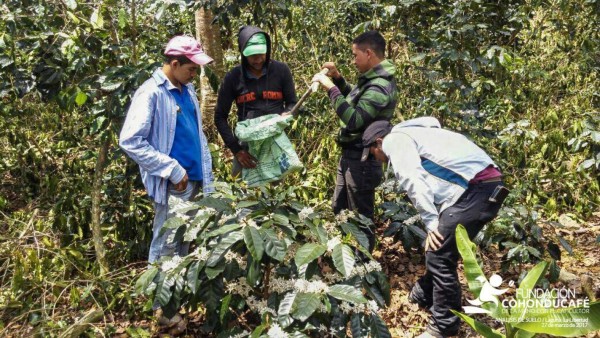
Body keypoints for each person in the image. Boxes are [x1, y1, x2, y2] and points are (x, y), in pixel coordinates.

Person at [361, 117, 509, 338]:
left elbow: (413, 179)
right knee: (444, 247)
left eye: (373, 153)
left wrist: (431, 223)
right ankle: (423, 294)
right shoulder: (419, 135)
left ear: (379, 142)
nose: (377, 159)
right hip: (484, 187)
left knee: (439, 252)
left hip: (477, 189)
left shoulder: (395, 140)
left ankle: (444, 325)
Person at [119, 35, 215, 264]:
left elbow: (195, 131)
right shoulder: (151, 93)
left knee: (183, 241)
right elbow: (130, 140)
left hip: (194, 179)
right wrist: (172, 169)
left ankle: (175, 297)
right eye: (191, 69)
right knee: (167, 245)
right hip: (175, 184)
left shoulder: (187, 89)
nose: (194, 75)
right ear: (174, 64)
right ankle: (158, 299)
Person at [311, 30, 398, 251]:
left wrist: (330, 89)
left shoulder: (380, 86)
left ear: (368, 53)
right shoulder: (371, 80)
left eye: (355, 55)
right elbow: (357, 101)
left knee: (361, 219)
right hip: (351, 158)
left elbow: (355, 119)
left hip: (363, 161)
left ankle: (365, 270)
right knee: (341, 210)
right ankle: (345, 260)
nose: (353, 61)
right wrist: (338, 79)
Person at [215, 26, 297, 176]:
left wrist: (286, 114)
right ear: (243, 54)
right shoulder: (233, 77)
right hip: (246, 148)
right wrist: (237, 150)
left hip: (275, 144)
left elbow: (292, 102)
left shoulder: (281, 71)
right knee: (243, 192)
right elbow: (220, 116)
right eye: (252, 55)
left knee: (276, 193)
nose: (258, 59)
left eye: (261, 54)